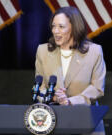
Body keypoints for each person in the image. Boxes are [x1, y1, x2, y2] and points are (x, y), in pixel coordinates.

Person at [35, 7, 106, 135]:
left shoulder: (94, 52)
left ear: (74, 27)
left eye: (61, 27)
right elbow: (39, 87)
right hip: (54, 121)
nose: (56, 31)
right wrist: (54, 97)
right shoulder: (43, 51)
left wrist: (70, 102)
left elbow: (97, 88)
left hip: (86, 121)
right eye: (53, 26)